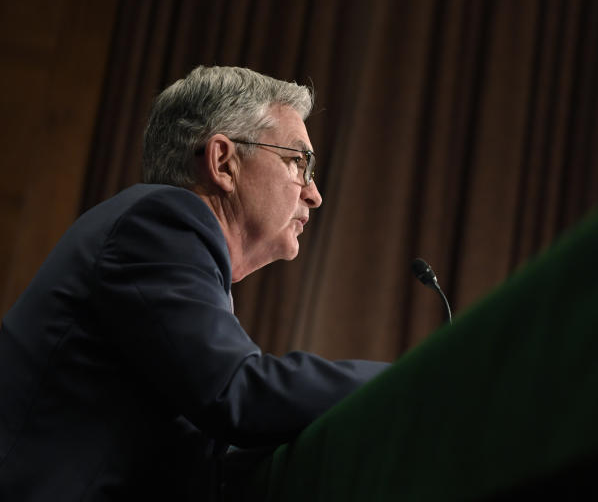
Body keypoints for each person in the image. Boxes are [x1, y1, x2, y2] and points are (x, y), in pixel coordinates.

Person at [0, 66, 390, 501]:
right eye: (299, 162)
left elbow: (197, 459)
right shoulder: (161, 224)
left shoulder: (174, 253)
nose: (314, 193)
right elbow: (236, 393)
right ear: (224, 162)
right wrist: (402, 383)